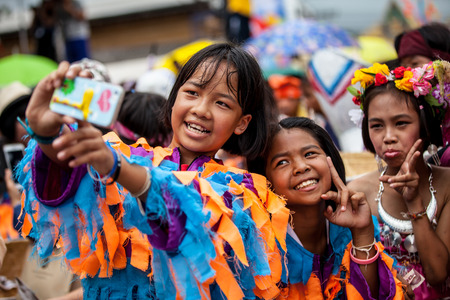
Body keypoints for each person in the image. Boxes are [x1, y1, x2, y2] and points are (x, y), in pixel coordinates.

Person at [17, 43, 289, 299]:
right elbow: (71, 168)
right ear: (173, 99)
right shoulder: (126, 155)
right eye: (192, 92)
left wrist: (120, 170)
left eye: (222, 103)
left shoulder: (244, 192)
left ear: (242, 123)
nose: (201, 110)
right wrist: (46, 132)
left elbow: (193, 221)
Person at [248, 117, 403, 299]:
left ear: (331, 159)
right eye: (282, 162)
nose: (301, 167)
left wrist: (362, 233)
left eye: (310, 154)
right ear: (264, 180)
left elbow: (374, 295)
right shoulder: (259, 246)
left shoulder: (353, 222)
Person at [347, 61, 450, 299]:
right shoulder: (358, 191)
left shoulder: (446, 185)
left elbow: (437, 274)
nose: (388, 137)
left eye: (401, 123)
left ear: (425, 127)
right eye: (377, 126)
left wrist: (414, 202)